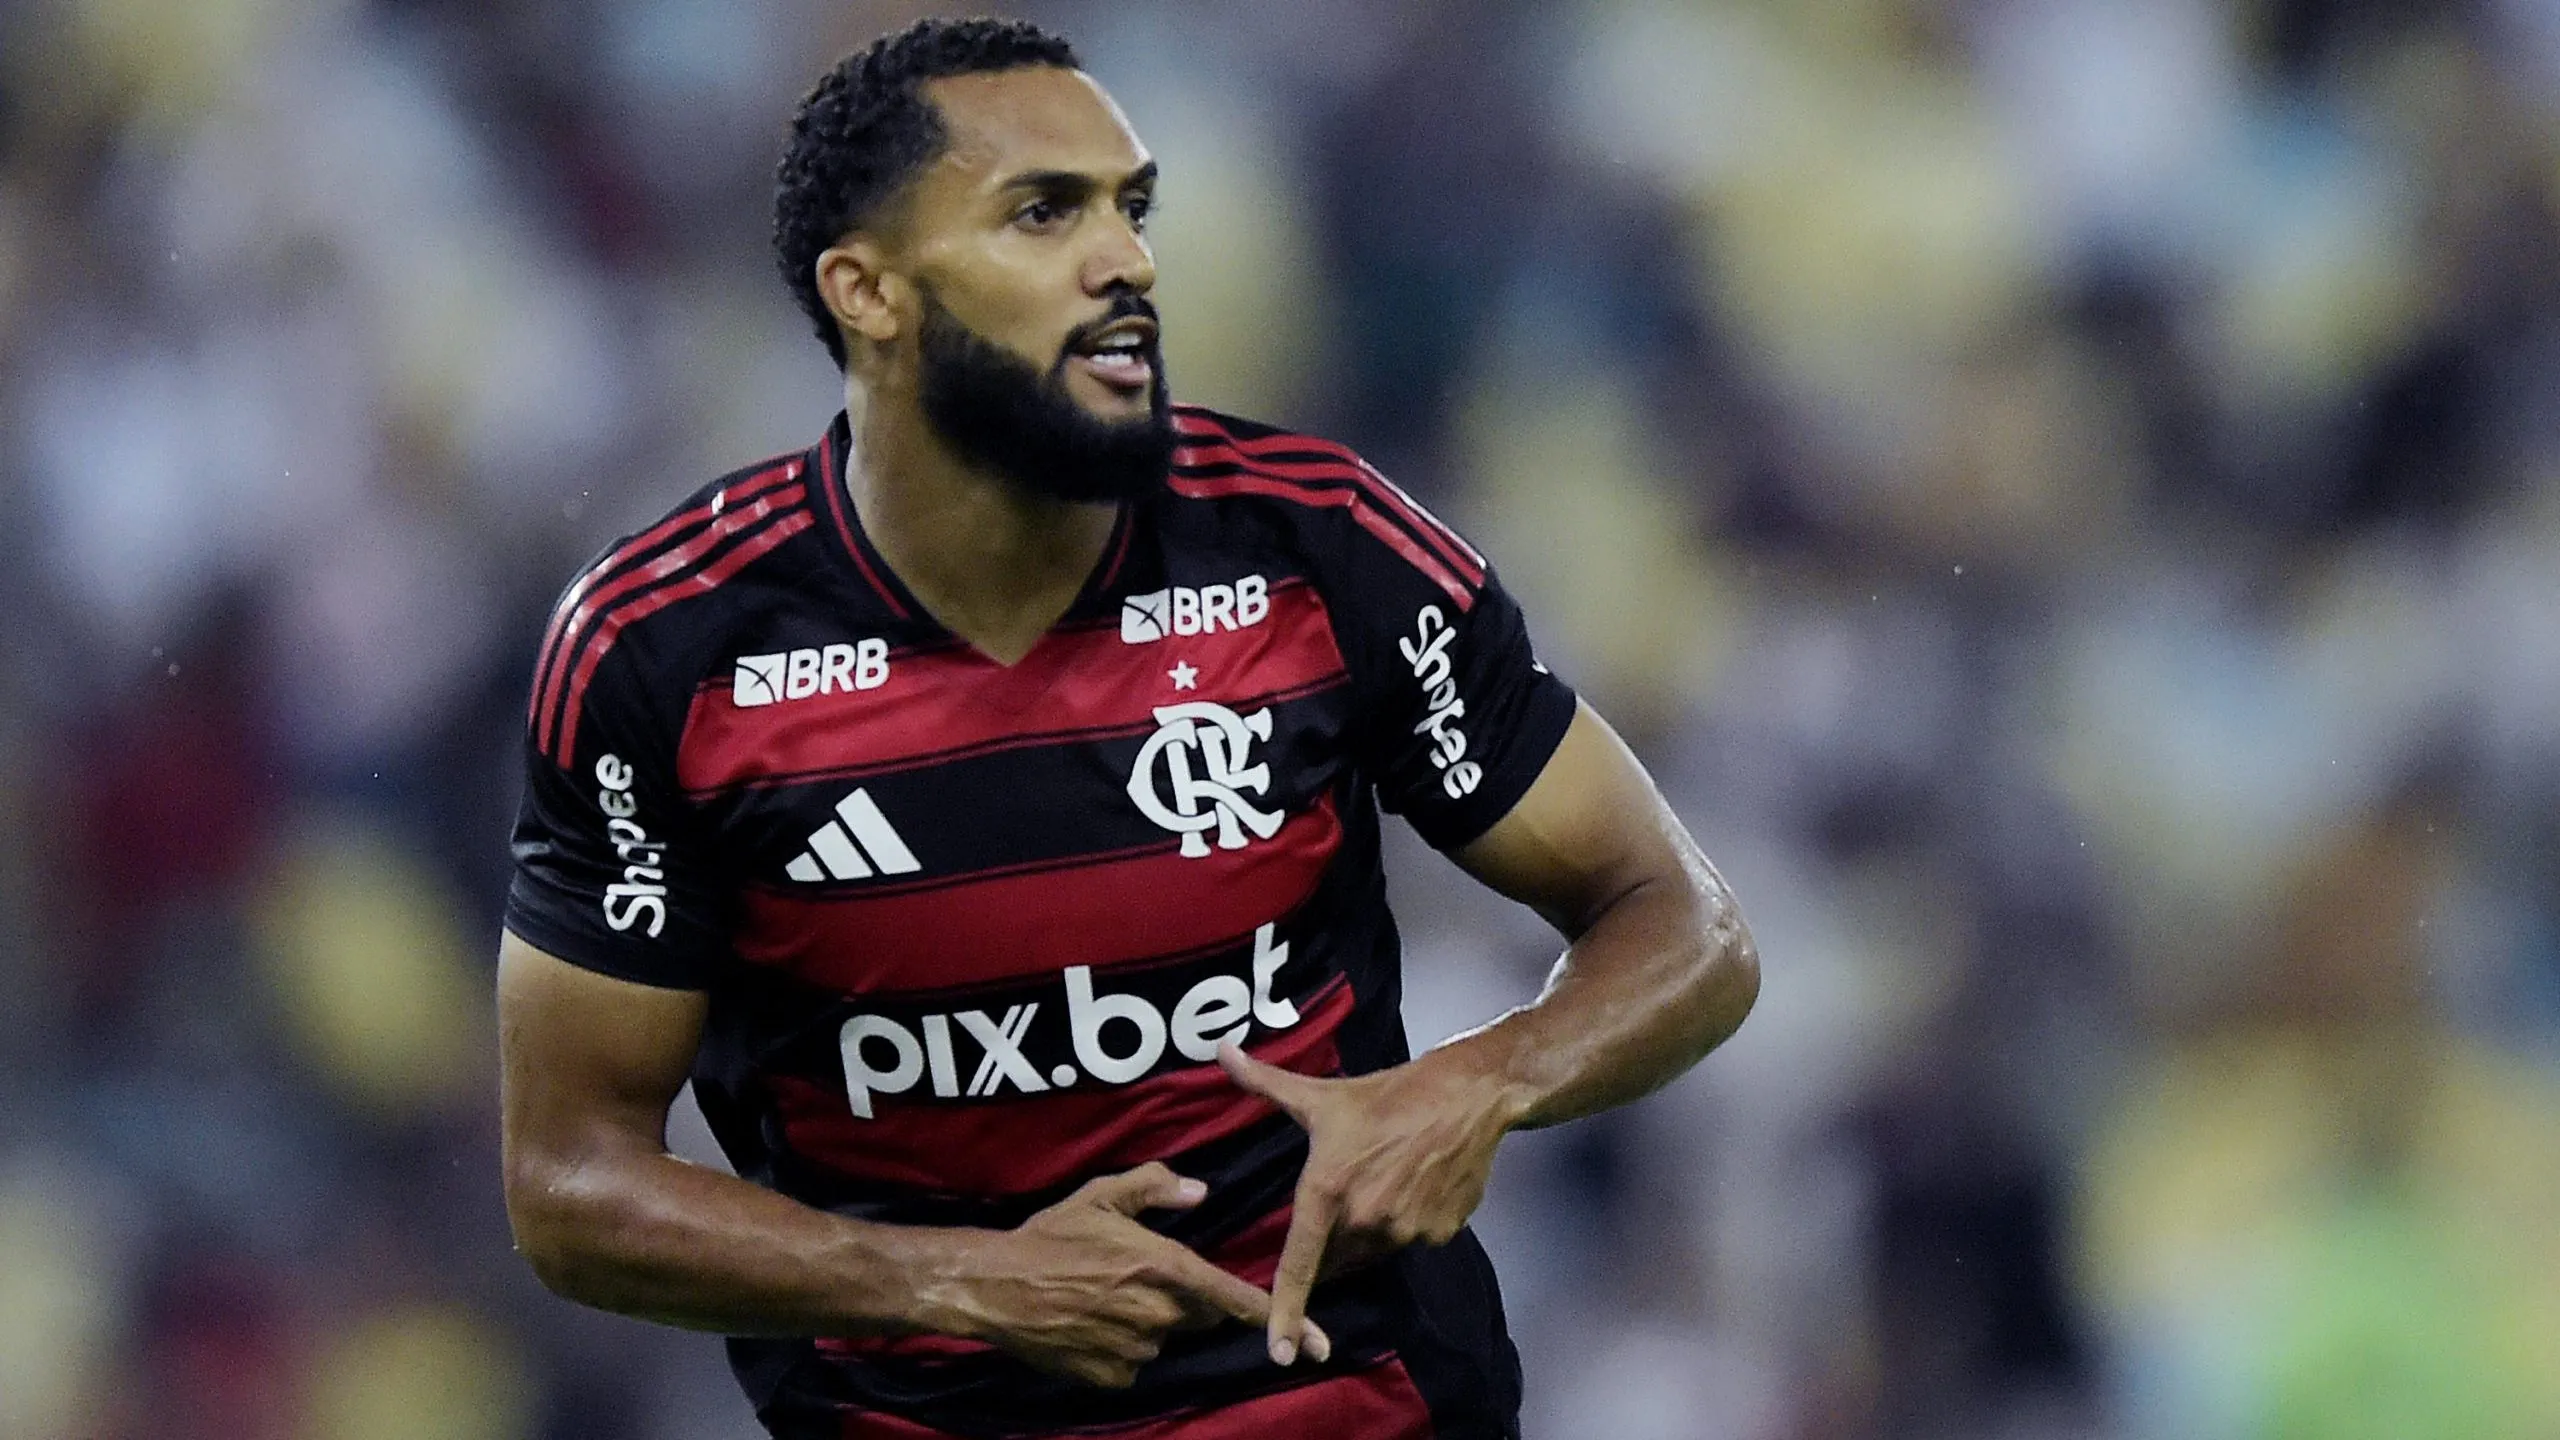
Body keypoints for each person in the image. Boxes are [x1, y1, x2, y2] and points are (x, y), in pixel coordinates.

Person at [495, 17, 1758, 1439]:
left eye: (1132, 207)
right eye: (1046, 212)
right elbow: (568, 1189)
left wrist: (1481, 1081)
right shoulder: (662, 652)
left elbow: (1689, 927)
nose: (1129, 262)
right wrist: (963, 1283)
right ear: (870, 292)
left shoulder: (1320, 543)